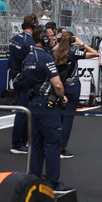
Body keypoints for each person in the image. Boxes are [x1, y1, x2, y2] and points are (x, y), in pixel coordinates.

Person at [24, 26, 69, 190]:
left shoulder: (30, 55)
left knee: (37, 143)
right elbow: (57, 83)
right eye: (50, 36)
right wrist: (61, 96)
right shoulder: (45, 57)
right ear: (43, 39)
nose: (53, 39)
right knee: (52, 143)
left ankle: (33, 180)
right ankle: (53, 183)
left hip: (34, 101)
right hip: (46, 104)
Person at [53, 30, 97, 159]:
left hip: (59, 87)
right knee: (68, 119)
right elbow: (95, 53)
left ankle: (54, 144)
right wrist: (81, 43)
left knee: (58, 117)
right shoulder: (72, 54)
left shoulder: (53, 53)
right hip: (72, 88)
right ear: (72, 42)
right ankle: (62, 148)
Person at [8, 15, 38, 155]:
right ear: (33, 26)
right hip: (24, 77)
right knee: (23, 110)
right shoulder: (29, 42)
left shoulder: (14, 38)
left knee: (24, 109)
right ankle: (17, 143)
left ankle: (23, 140)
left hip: (15, 76)